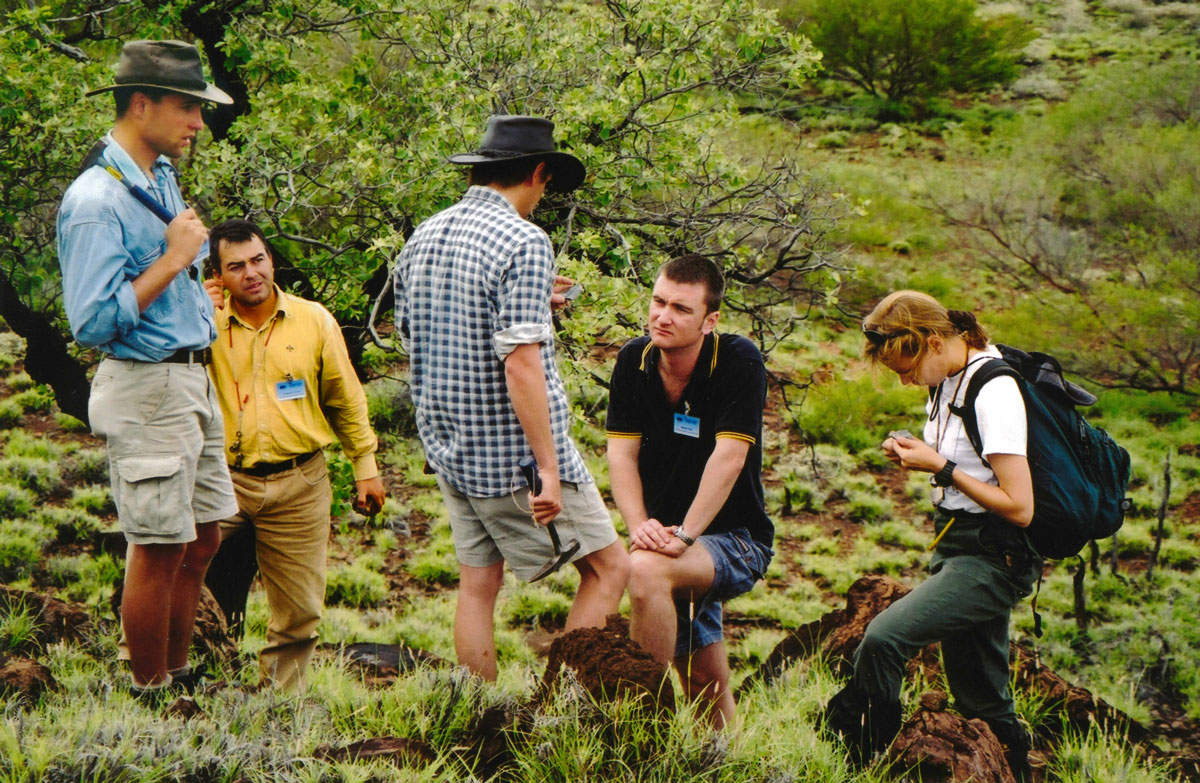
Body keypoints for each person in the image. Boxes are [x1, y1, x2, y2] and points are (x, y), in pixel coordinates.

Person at [393, 114, 629, 680]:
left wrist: (532, 306)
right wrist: (548, 467)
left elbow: (416, 331)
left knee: (477, 584)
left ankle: (481, 712)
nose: (543, 198)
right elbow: (521, 363)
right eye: (547, 185)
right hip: (512, 457)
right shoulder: (524, 240)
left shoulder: (426, 233)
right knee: (609, 569)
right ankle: (562, 706)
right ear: (538, 172)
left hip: (450, 446)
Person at [56, 40, 238, 702]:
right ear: (142, 104)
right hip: (149, 383)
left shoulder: (156, 174)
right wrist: (174, 260)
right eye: (188, 108)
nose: (198, 123)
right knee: (159, 544)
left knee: (205, 532)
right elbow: (93, 322)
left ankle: (180, 673)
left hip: (191, 377)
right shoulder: (95, 202)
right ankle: (151, 693)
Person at [823, 290, 1039, 781]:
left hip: (994, 556)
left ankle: (864, 761)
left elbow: (1021, 506)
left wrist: (939, 467)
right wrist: (917, 453)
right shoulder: (947, 378)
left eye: (906, 368)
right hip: (958, 543)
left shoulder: (995, 390)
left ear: (935, 342)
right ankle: (1016, 771)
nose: (904, 380)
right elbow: (967, 462)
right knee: (981, 695)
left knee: (882, 640)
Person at [202, 219, 387, 691]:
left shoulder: (313, 319)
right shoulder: (201, 321)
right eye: (236, 266)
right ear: (218, 275)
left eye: (258, 260)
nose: (251, 273)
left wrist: (365, 466)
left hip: (299, 481)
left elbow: (345, 398)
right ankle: (188, 683)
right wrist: (193, 315)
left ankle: (281, 705)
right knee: (178, 577)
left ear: (271, 260)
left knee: (299, 609)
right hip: (221, 480)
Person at [606, 255, 774, 730]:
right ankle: (727, 760)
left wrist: (683, 535)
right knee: (703, 678)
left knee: (644, 570)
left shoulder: (738, 360)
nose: (663, 316)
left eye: (681, 308)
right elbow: (621, 455)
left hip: (735, 539)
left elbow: (731, 458)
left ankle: (641, 730)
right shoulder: (633, 360)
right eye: (659, 301)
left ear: (709, 320)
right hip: (668, 540)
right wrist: (640, 527)